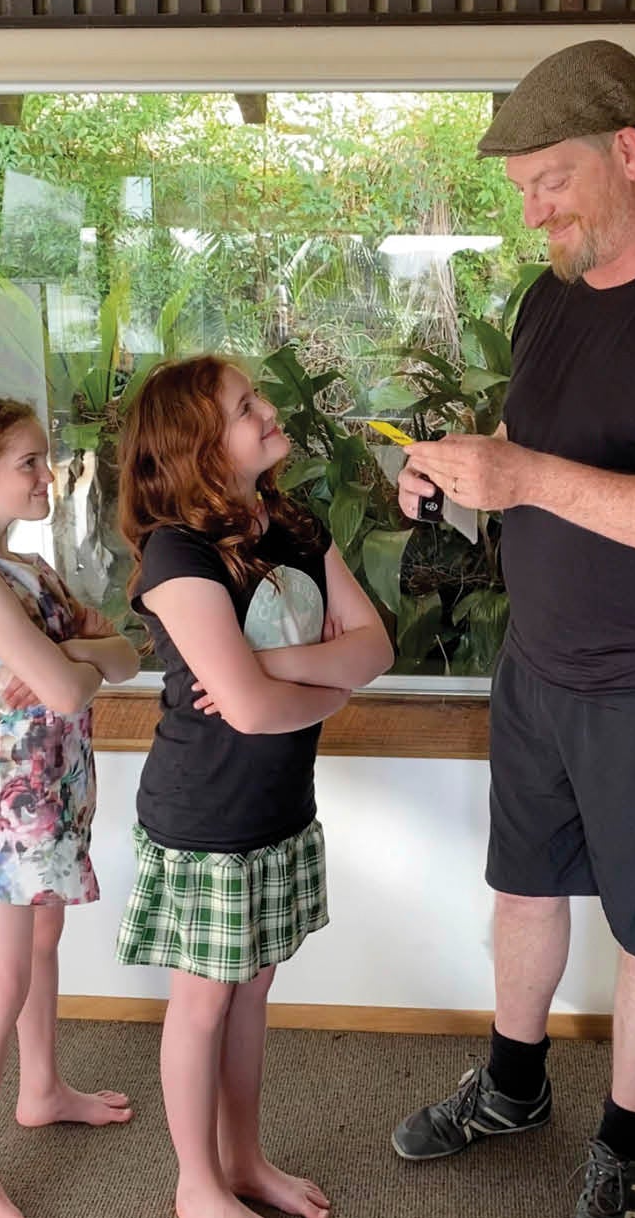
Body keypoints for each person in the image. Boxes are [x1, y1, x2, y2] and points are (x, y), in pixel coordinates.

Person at [386, 39, 635, 1218]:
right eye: (522, 188)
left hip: (632, 680)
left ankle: (628, 1147)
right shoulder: (546, 301)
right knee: (525, 887)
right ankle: (512, 1087)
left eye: (551, 179)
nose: (533, 210)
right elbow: (524, 448)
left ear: (629, 151)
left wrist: (525, 477)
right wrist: (450, 471)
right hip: (534, 663)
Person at [114, 355, 392, 1218]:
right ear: (198, 446)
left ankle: (243, 1161)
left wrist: (268, 665)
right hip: (204, 818)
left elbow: (375, 649)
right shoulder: (178, 553)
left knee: (252, 991)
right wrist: (320, 684)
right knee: (203, 1004)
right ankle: (195, 1186)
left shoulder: (295, 524)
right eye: (244, 407)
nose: (268, 408)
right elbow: (250, 711)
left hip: (280, 809)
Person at [0, 396, 139, 1218]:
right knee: (1, 979)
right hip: (6, 811)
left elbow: (127, 653)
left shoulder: (32, 572)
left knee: (44, 938)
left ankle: (40, 1087)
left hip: (55, 792)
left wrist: (68, 650)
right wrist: (75, 661)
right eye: (29, 462)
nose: (49, 475)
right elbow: (71, 690)